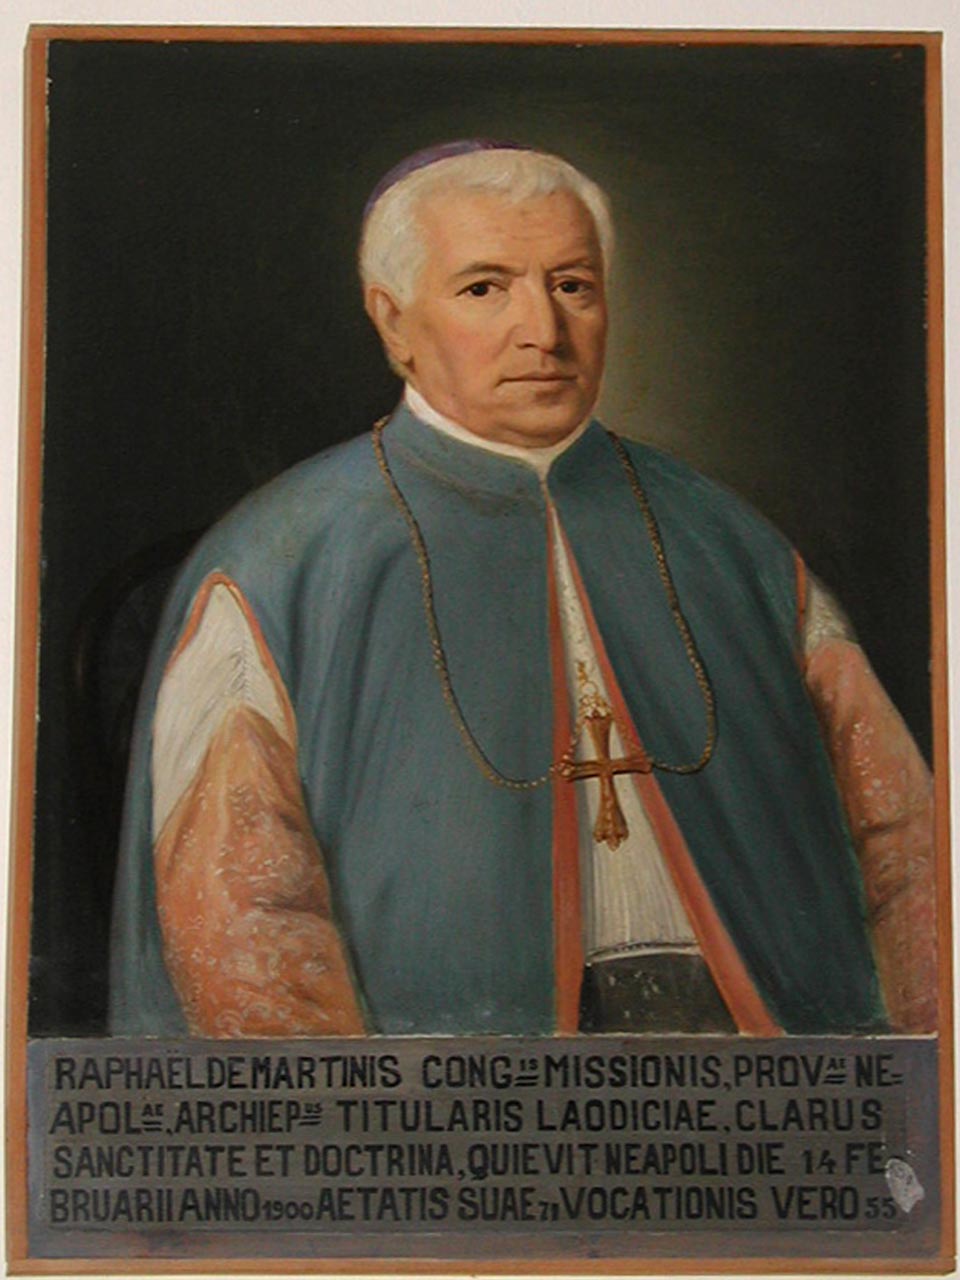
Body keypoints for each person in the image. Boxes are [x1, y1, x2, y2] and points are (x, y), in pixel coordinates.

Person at [109, 140, 936, 1040]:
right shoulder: (280, 563)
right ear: (394, 322)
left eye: (573, 285)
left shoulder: (736, 545)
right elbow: (238, 911)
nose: (544, 331)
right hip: (441, 1100)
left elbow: (908, 850)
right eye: (484, 289)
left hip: (769, 1074)